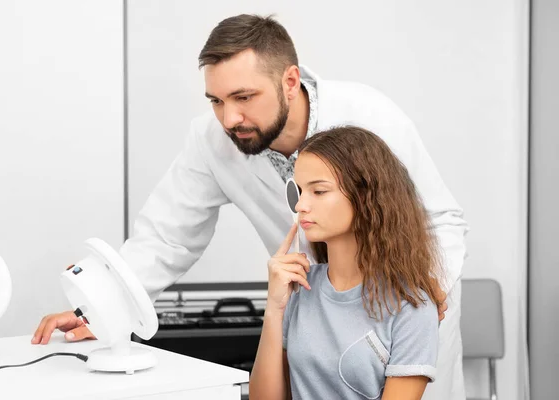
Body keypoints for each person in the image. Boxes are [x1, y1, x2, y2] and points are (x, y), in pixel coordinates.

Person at [31, 14, 468, 399]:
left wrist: (424, 290)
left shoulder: (371, 115)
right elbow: (167, 236)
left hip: (393, 314)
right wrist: (107, 307)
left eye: (244, 97)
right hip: (317, 302)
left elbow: (441, 218)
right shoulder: (211, 140)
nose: (228, 119)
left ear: (290, 81)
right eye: (216, 101)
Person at [250, 126, 442, 400]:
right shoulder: (299, 287)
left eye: (318, 191)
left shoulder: (411, 307)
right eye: (299, 191)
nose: (301, 205)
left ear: (366, 196)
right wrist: (273, 308)